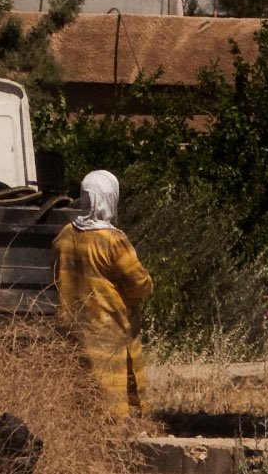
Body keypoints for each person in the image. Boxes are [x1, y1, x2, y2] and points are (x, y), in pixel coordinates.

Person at [50, 169, 154, 417]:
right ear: (109, 199)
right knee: (111, 403)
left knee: (80, 397)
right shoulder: (113, 241)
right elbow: (140, 284)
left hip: (72, 328)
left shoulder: (64, 235)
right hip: (108, 332)